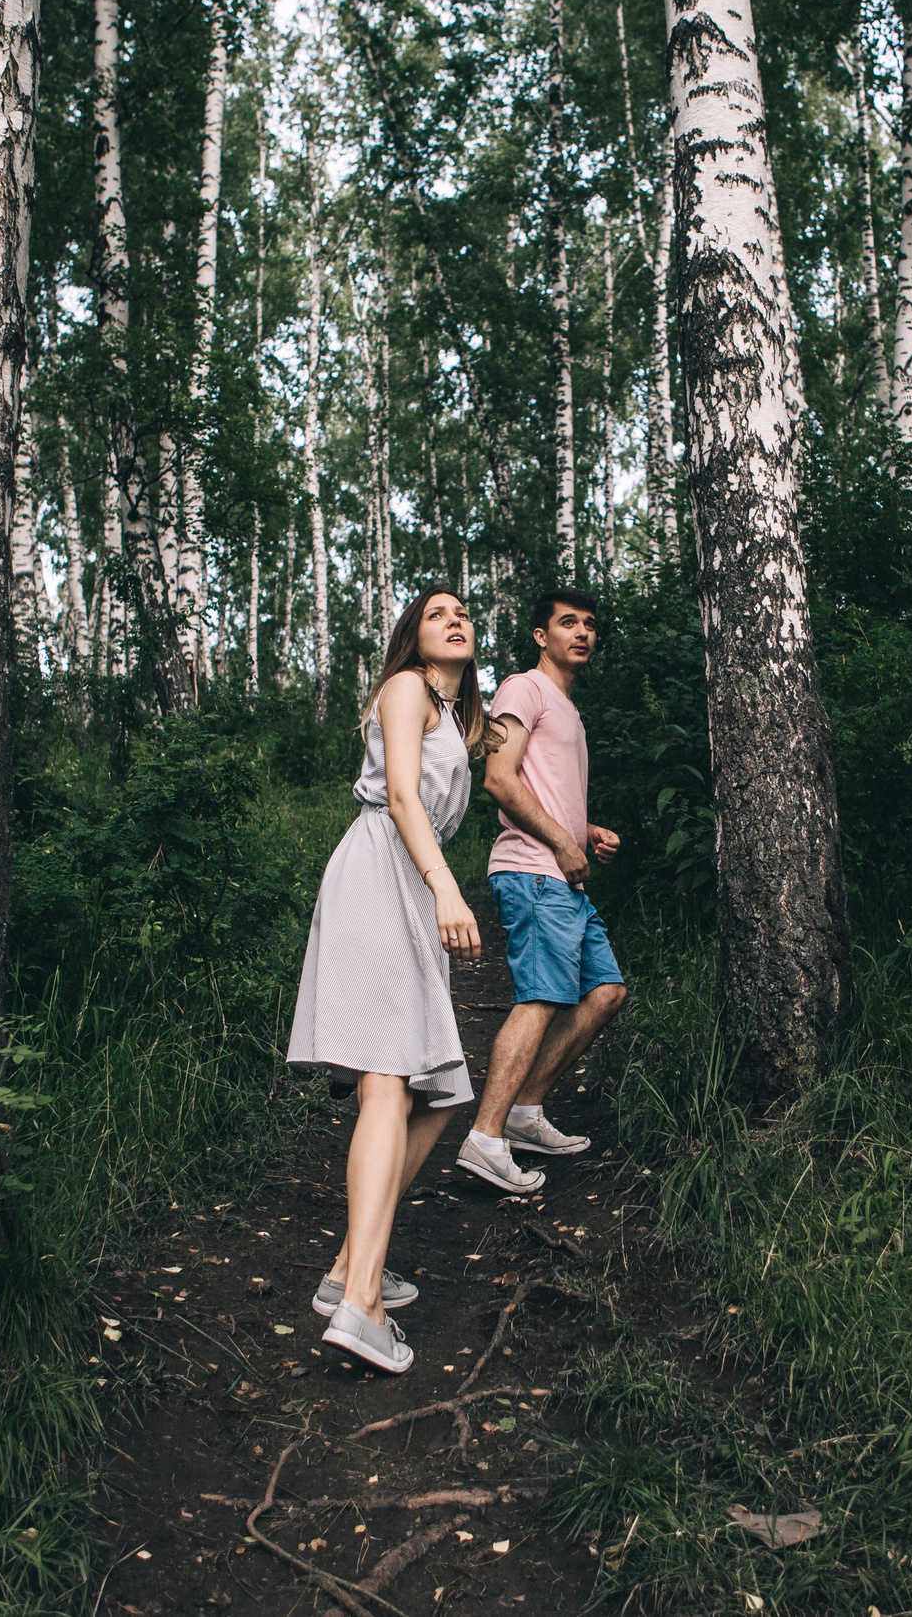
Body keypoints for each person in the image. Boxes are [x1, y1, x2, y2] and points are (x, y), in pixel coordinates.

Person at [288, 587, 488, 1373]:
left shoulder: (458, 717)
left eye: (463, 612)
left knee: (441, 1090)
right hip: (384, 870)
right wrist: (445, 885)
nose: (454, 619)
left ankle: (348, 1266)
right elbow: (402, 796)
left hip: (406, 876)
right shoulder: (406, 686)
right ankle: (363, 1303)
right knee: (388, 1082)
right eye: (437, 613)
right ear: (413, 635)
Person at [458, 587, 627, 1194]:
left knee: (605, 992)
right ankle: (485, 1138)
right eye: (567, 623)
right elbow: (500, 780)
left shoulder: (567, 709)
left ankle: (524, 1113)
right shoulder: (523, 689)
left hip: (561, 873)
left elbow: (545, 791)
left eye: (589, 624)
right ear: (541, 636)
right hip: (533, 870)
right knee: (541, 998)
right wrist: (561, 840)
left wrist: (585, 832)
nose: (581, 633)